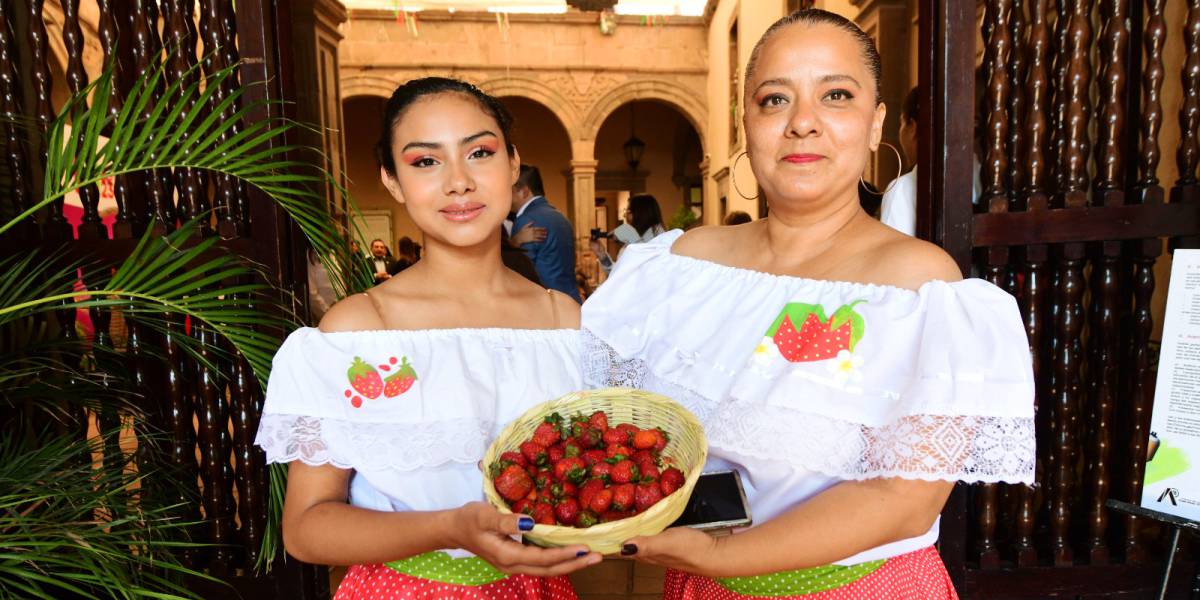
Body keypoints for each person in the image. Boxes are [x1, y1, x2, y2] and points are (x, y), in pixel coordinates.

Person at [580, 9, 1034, 599]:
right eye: (774, 100)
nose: (802, 123)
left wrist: (724, 553)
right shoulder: (683, 266)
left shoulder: (917, 287)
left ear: (876, 125)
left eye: (836, 95)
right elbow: (624, 427)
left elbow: (903, 502)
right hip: (702, 586)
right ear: (745, 123)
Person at [255, 77, 600, 599]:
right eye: (425, 162)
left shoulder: (564, 325)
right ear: (392, 181)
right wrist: (447, 528)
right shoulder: (357, 333)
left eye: (479, 153)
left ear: (512, 164)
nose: (458, 182)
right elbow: (306, 528)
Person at [511, 165, 581, 302]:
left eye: (510, 191)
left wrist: (514, 241)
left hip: (545, 306)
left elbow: (521, 273)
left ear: (524, 192)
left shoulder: (526, 220)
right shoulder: (561, 217)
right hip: (570, 301)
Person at [589, 194, 666, 273]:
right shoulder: (636, 238)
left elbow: (649, 270)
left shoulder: (660, 239)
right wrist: (602, 254)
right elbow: (619, 274)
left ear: (641, 214)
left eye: (628, 212)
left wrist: (632, 237)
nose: (625, 215)